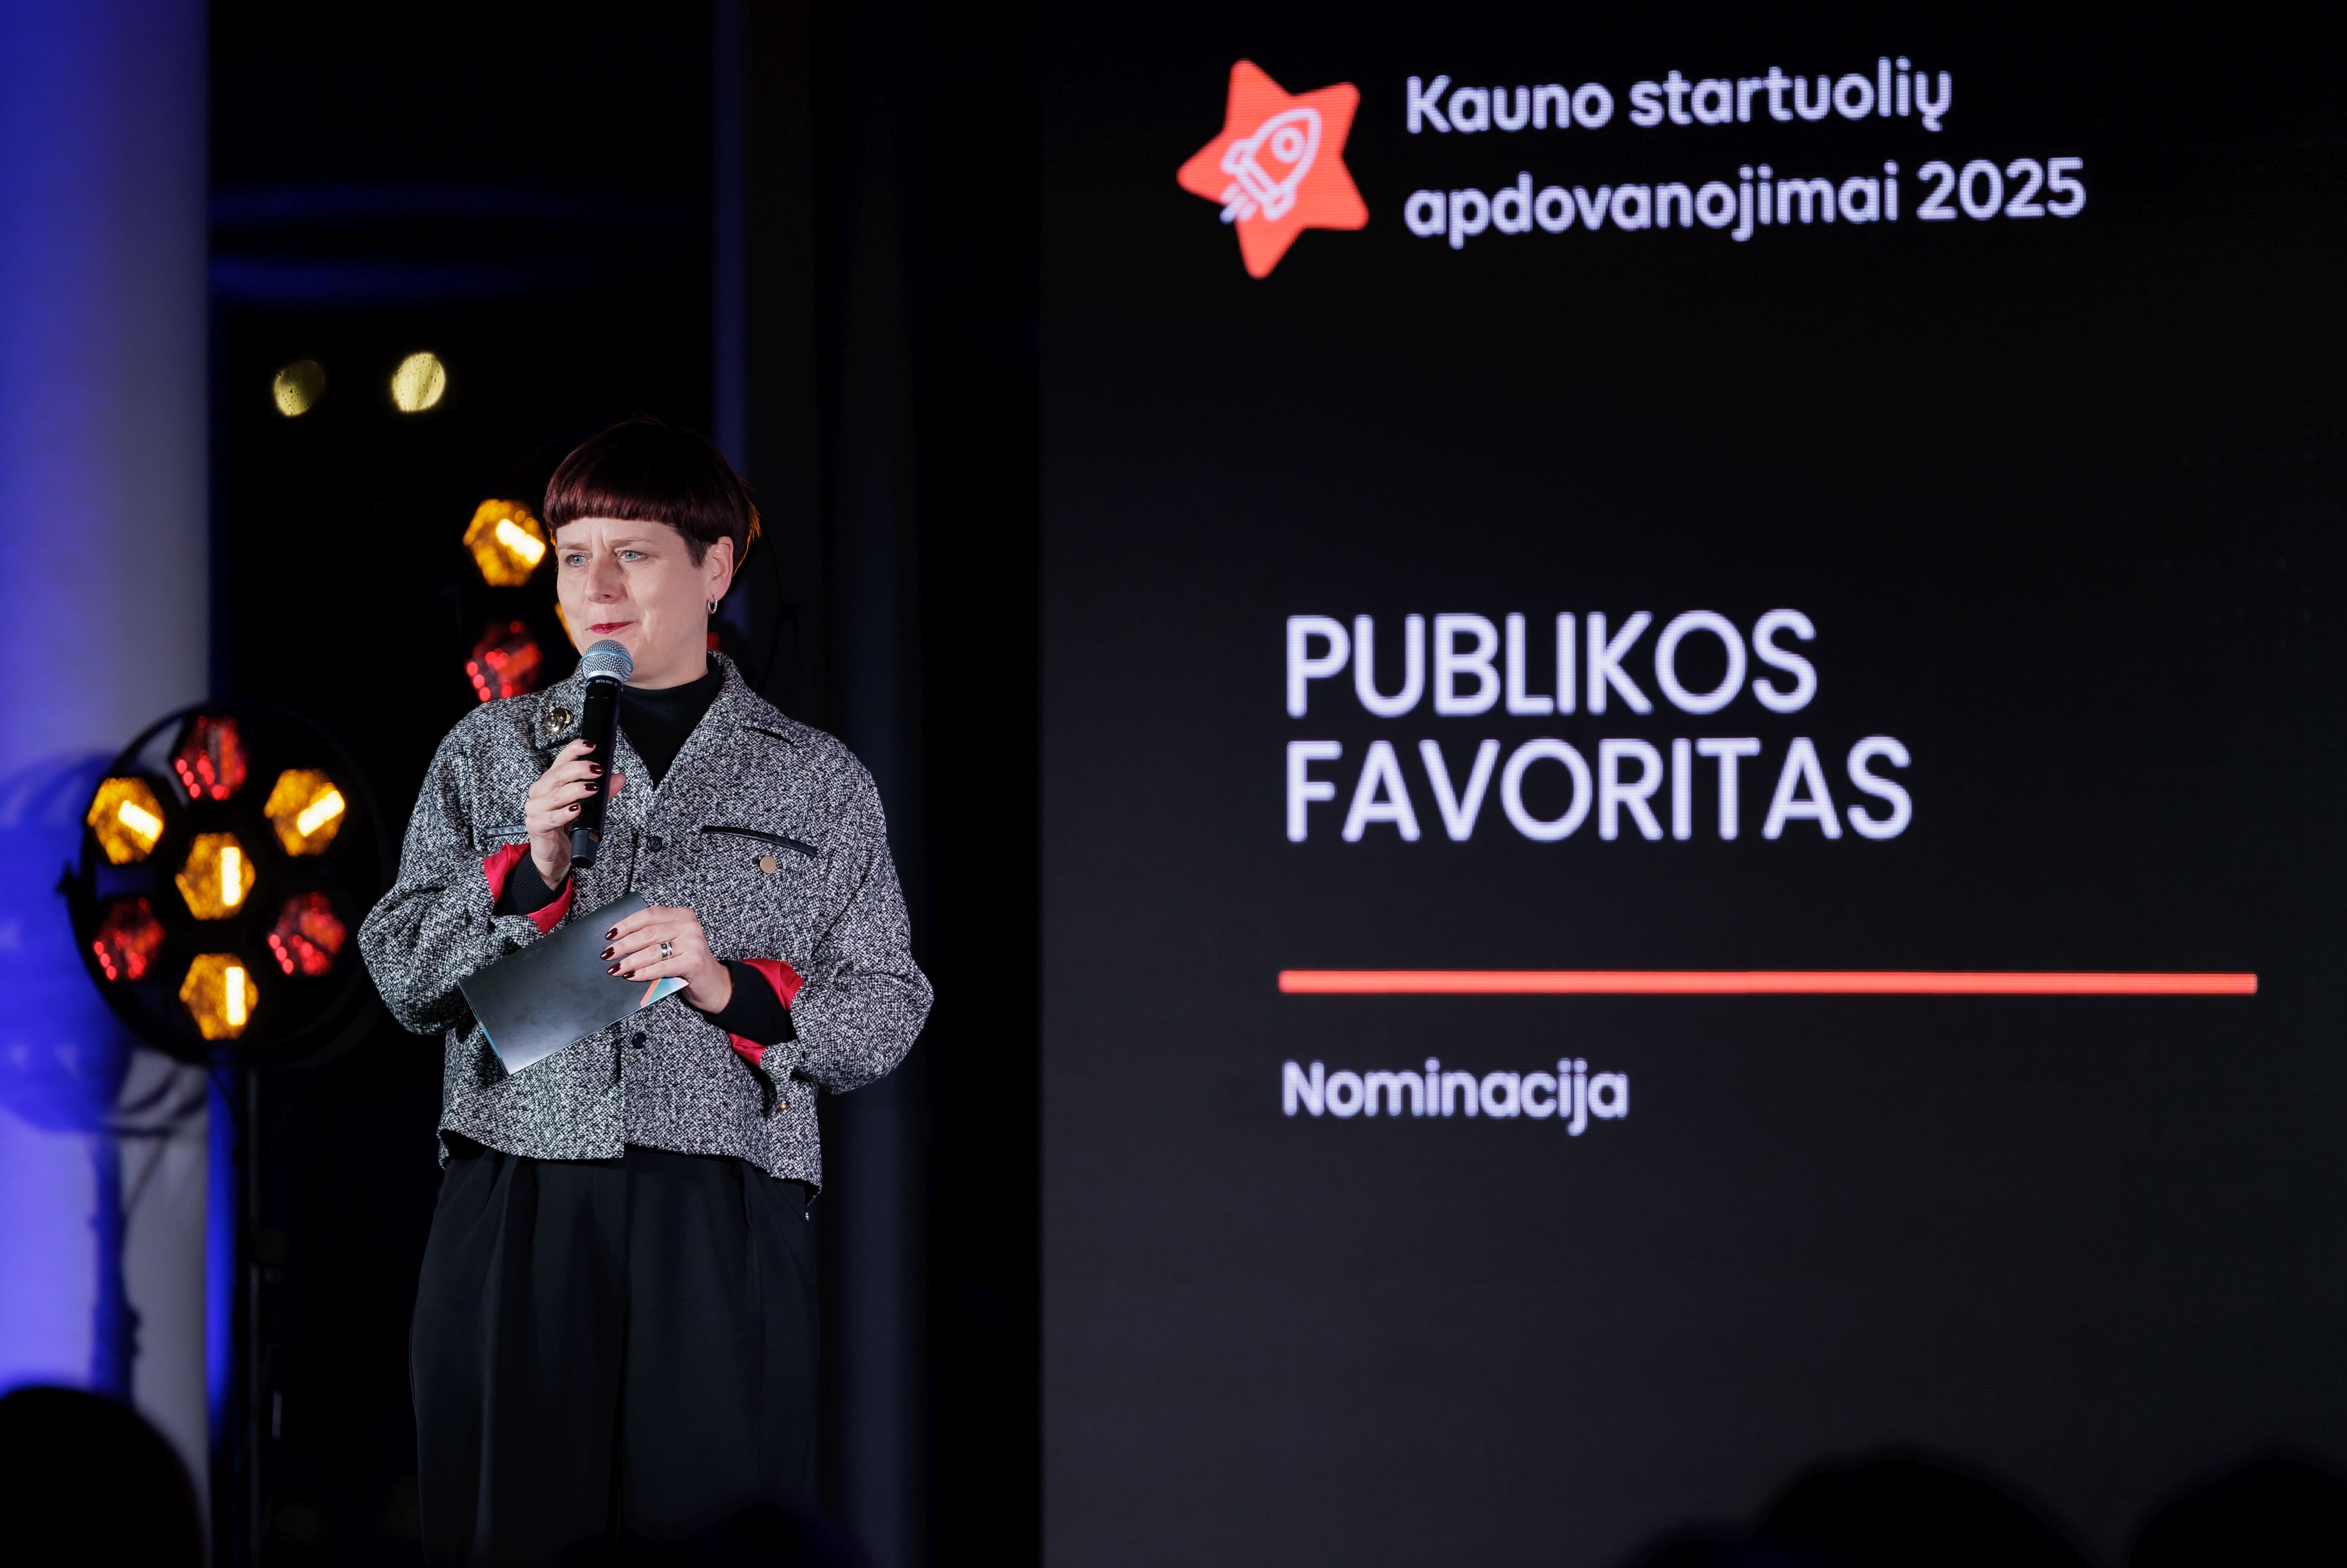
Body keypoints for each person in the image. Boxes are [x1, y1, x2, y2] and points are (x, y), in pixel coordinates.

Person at [358, 416, 930, 1566]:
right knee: (508, 1525)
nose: (598, 587)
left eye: (634, 554)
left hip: (720, 1200)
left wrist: (728, 986)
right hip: (520, 1186)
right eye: (574, 557)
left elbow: (888, 1001)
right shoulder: (492, 750)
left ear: (715, 569)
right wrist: (527, 873)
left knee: (722, 1533)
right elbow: (403, 970)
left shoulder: (816, 776)